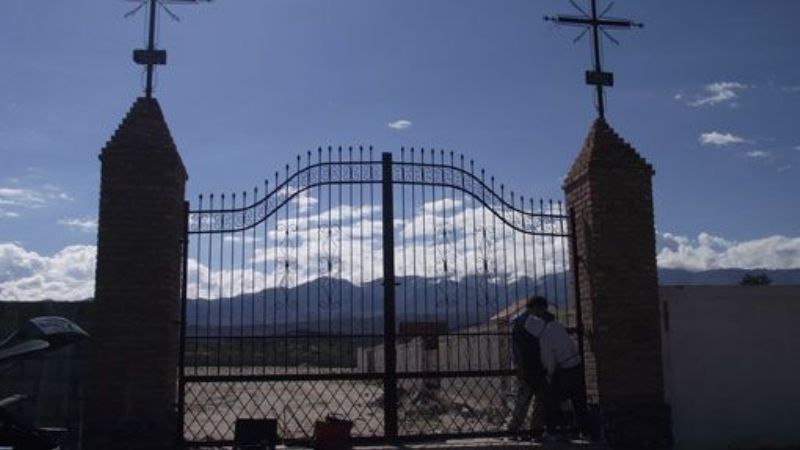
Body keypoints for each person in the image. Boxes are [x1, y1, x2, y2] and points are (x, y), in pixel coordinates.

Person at [525, 295, 588, 440]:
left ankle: (553, 431)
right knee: (578, 400)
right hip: (576, 364)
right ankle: (584, 430)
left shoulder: (544, 336)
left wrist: (550, 376)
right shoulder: (557, 325)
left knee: (551, 400)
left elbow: (548, 359)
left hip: (564, 369)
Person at [507, 298, 548, 440]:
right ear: (535, 308)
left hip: (534, 366)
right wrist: (519, 365)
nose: (542, 313)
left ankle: (520, 430)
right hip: (530, 367)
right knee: (527, 399)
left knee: (529, 400)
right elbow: (517, 347)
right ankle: (526, 430)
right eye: (541, 310)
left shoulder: (527, 321)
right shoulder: (523, 322)